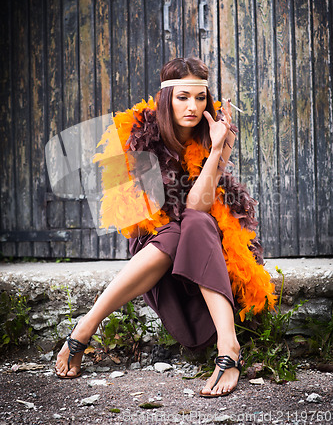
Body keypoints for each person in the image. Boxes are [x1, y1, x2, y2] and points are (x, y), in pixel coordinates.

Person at [55, 57, 275, 397]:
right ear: (166, 97)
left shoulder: (213, 136)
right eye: (182, 97)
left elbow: (196, 209)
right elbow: (154, 218)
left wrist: (218, 149)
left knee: (196, 221)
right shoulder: (139, 135)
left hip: (204, 264)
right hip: (159, 261)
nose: (192, 106)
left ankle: (228, 347)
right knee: (174, 230)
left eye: (200, 98)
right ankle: (85, 328)